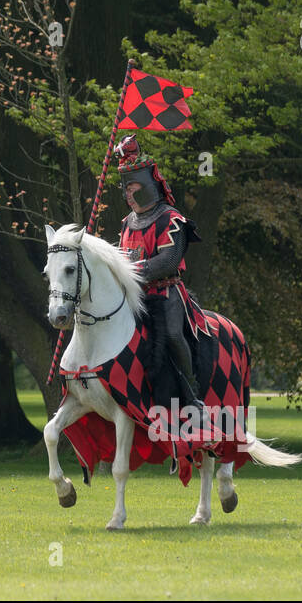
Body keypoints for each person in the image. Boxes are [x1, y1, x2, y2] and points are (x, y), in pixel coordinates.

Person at [114, 135, 208, 462]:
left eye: (131, 186)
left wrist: (134, 271)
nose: (127, 193)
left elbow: (166, 262)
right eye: (123, 188)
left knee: (169, 335)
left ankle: (192, 393)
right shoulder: (127, 224)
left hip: (165, 293)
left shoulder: (171, 219)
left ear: (145, 183)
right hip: (134, 297)